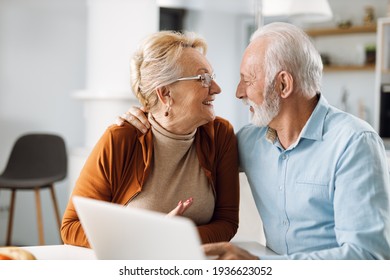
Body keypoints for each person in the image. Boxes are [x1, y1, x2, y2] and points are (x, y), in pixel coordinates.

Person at [120, 22, 390, 260]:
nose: (237, 93)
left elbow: (368, 255)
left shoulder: (354, 143)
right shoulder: (251, 141)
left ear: (283, 85)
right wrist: (149, 115)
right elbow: (188, 153)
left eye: (247, 80)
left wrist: (260, 266)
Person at [61, 30, 240, 248]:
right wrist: (145, 239)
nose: (216, 88)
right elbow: (71, 226)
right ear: (165, 93)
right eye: (203, 78)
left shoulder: (220, 135)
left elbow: (227, 222)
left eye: (213, 77)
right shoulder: (120, 139)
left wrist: (170, 238)